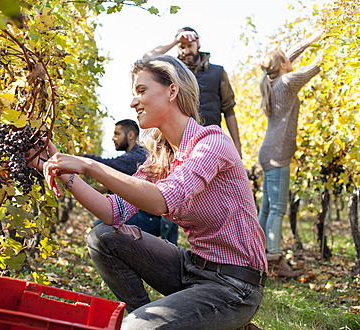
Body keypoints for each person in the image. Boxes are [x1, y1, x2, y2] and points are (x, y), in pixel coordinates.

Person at [31, 55, 266, 329]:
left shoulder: (211, 144)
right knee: (103, 237)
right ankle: (157, 321)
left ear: (172, 90)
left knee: (133, 328)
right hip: (193, 268)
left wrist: (88, 164)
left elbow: (162, 201)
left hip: (235, 285)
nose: (133, 102)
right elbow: (112, 212)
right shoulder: (161, 158)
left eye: (141, 91)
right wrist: (65, 174)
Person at [258, 30, 324, 278]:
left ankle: (260, 254)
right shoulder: (287, 82)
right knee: (277, 209)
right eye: (286, 60)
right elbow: (316, 67)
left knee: (267, 208)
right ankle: (274, 260)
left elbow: (286, 58)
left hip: (269, 152)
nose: (290, 60)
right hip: (277, 154)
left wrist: (310, 40)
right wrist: (336, 42)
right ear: (283, 65)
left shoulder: (272, 80)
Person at [144, 27, 242, 158]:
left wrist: (237, 147)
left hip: (211, 142)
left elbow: (229, 110)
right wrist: (175, 41)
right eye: (182, 47)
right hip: (179, 143)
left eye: (190, 45)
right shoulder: (172, 72)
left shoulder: (218, 72)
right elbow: (146, 60)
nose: (186, 51)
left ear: (198, 43)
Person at [85, 119, 178, 245]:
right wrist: (104, 189)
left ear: (130, 135)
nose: (113, 138)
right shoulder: (138, 153)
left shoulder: (136, 157)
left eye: (117, 134)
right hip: (152, 217)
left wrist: (81, 159)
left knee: (100, 226)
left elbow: (108, 165)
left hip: (151, 220)